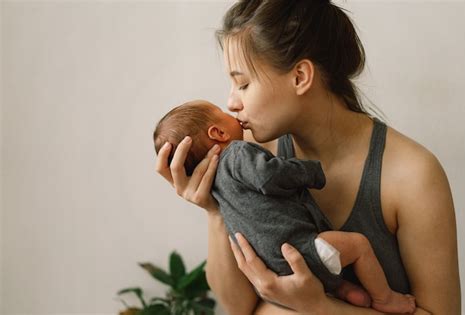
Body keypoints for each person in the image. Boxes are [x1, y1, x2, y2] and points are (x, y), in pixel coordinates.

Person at [155, 0, 461, 314]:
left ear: (301, 76)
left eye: (243, 83)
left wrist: (318, 306)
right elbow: (239, 307)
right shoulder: (253, 156)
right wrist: (215, 211)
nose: (231, 102)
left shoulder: (412, 175)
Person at [153, 100, 416, 313]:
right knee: (357, 245)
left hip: (275, 270)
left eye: (243, 84)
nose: (232, 103)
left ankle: (343, 291)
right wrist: (311, 172)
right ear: (218, 133)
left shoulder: (219, 189)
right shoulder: (238, 153)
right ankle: (384, 299)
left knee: (331, 274)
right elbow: (269, 176)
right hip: (301, 252)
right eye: (223, 111)